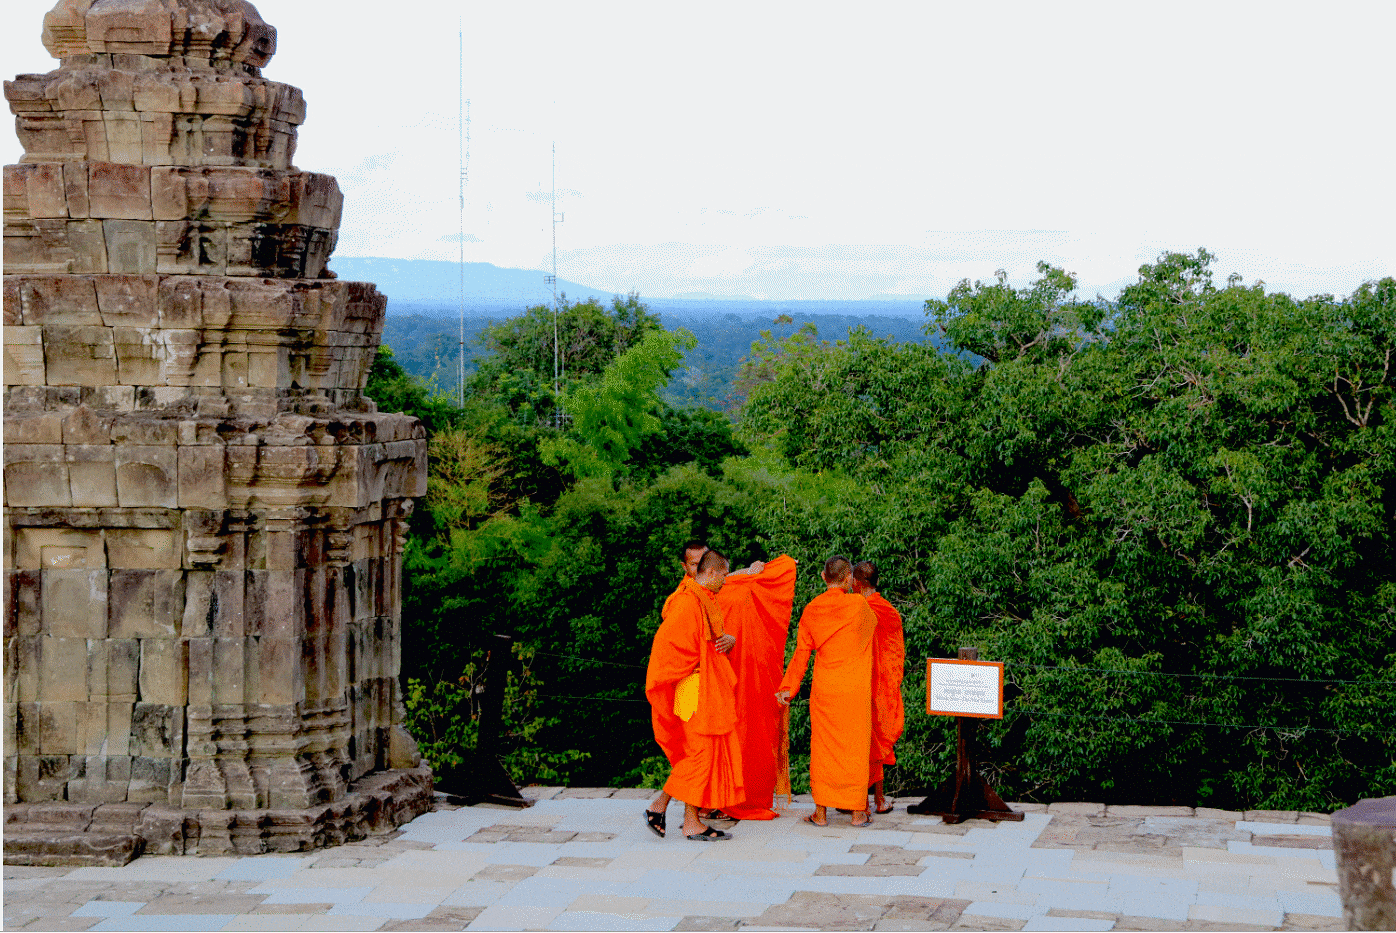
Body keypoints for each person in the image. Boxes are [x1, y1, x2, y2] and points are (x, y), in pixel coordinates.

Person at [644, 549, 743, 840]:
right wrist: (701, 656)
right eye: (724, 575)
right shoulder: (687, 602)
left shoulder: (704, 599)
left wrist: (720, 643)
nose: (725, 580)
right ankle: (661, 807)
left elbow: (708, 640)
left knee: (704, 754)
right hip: (693, 688)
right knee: (699, 756)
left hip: (706, 686)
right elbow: (667, 648)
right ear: (711, 573)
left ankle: (688, 820)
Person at [776, 555, 877, 827]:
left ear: (823, 577)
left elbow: (801, 655)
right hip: (854, 689)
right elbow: (870, 631)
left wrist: (788, 688)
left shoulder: (812, 609)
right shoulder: (858, 605)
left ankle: (820, 813)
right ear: (849, 580)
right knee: (854, 749)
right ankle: (857, 813)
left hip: (826, 689)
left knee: (823, 750)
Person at [717, 554, 799, 820]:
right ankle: (718, 801)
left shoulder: (724, 588)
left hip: (736, 677)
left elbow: (734, 577)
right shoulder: (696, 595)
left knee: (739, 735)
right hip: (722, 677)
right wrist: (773, 569)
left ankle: (721, 800)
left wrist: (753, 572)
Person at [852, 559, 904, 814]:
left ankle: (861, 800)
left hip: (866, 681)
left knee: (865, 741)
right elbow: (896, 651)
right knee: (877, 740)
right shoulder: (889, 609)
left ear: (857, 584)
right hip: (883, 683)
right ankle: (879, 800)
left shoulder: (859, 609)